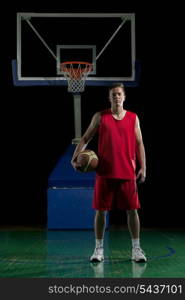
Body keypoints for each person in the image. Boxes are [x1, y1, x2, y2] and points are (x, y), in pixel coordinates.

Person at [71, 83, 147, 263]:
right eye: (113, 95)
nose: (117, 97)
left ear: (124, 97)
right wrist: (74, 158)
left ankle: (136, 249)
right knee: (100, 211)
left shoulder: (133, 118)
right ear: (109, 98)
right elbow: (85, 138)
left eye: (119, 94)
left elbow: (139, 144)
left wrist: (143, 167)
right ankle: (98, 249)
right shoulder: (100, 117)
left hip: (127, 171)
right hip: (105, 171)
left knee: (132, 210)